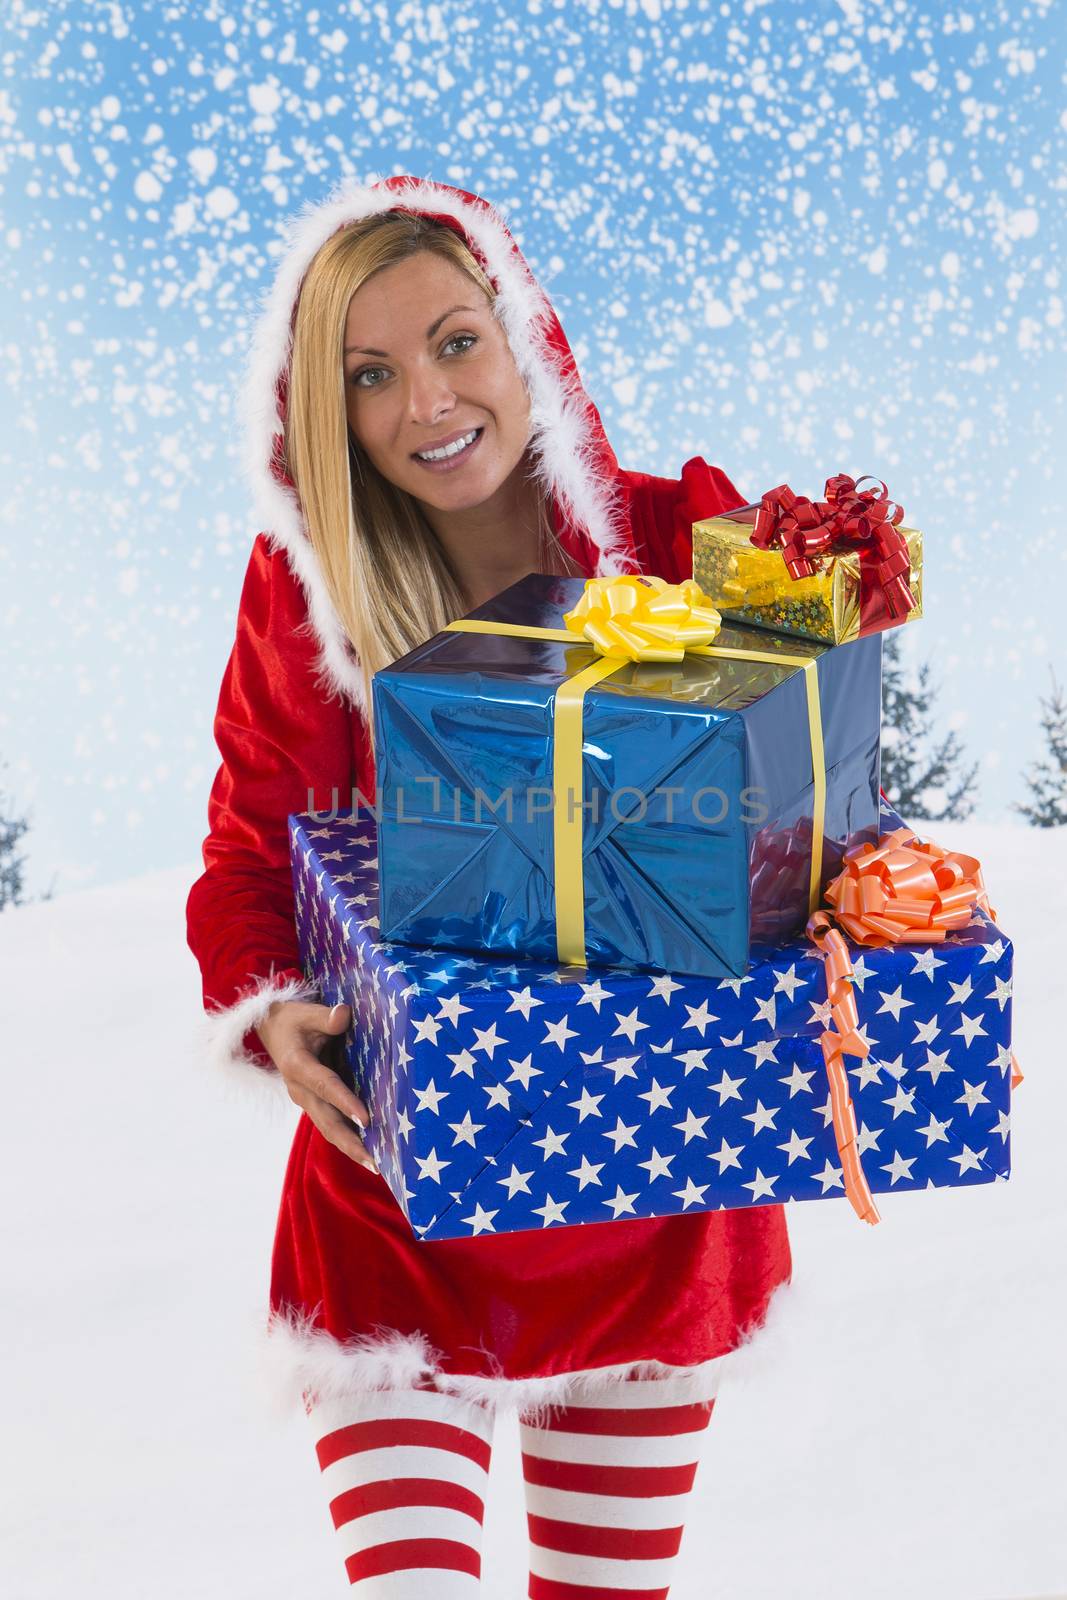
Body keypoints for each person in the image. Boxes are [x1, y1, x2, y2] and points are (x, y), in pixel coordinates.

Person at [186, 174, 792, 1597]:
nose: (426, 402)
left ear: (526, 339)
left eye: (457, 342)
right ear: (324, 418)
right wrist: (272, 1011)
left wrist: (874, 982)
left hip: (652, 1192)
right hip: (403, 1201)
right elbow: (250, 844)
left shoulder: (684, 536)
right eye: (371, 375)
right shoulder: (310, 595)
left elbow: (809, 803)